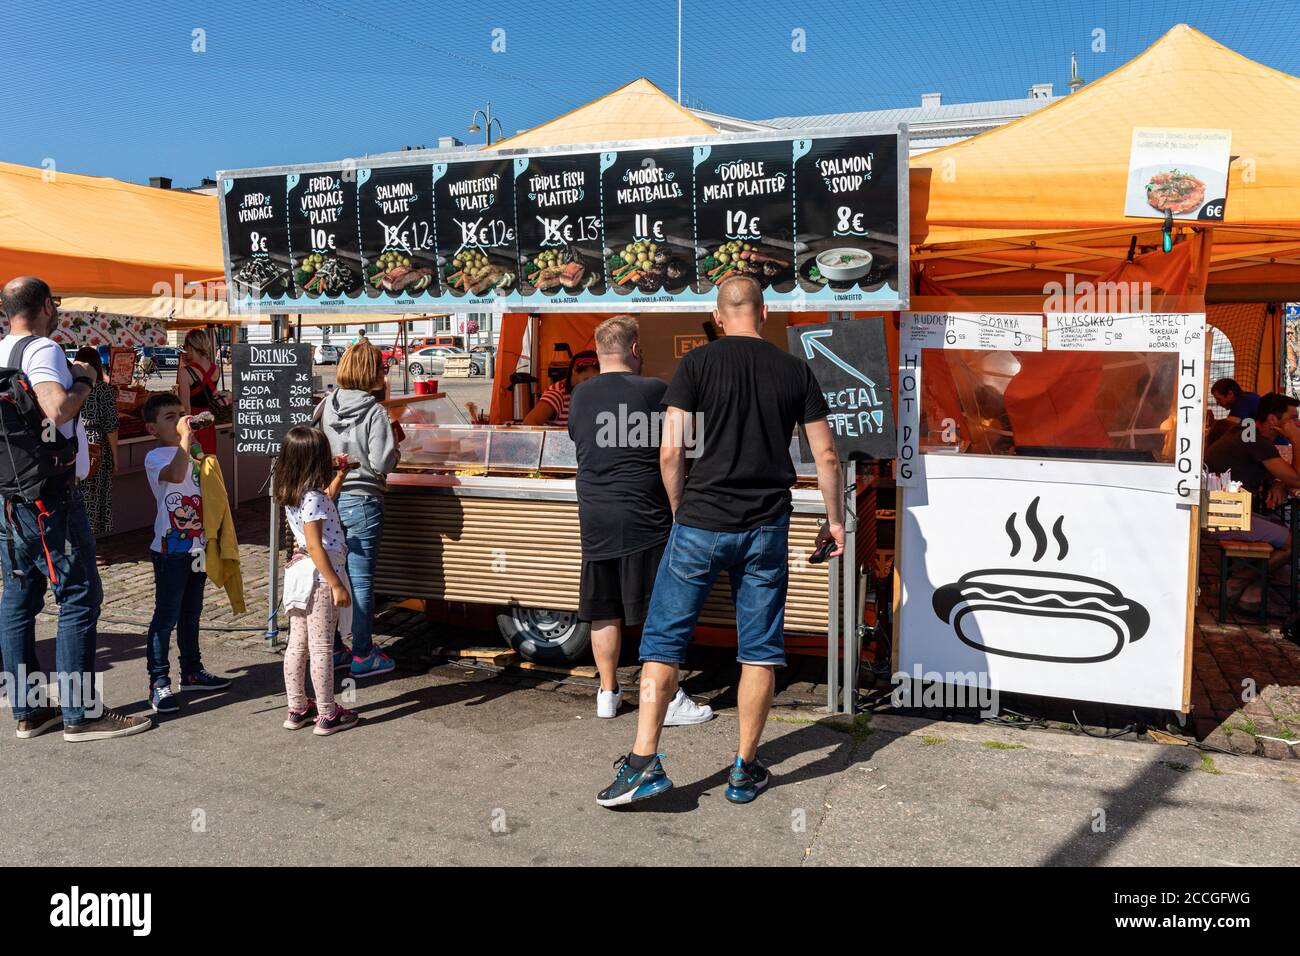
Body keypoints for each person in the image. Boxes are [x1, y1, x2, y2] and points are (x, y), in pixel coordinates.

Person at [597, 276, 845, 808]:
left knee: (663, 643)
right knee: (759, 650)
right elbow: (826, 457)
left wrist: (679, 509)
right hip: (766, 527)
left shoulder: (696, 365)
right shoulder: (796, 369)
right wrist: (835, 520)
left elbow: (671, 451)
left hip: (700, 523)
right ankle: (743, 768)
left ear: (717, 312)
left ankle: (644, 762)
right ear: (765, 311)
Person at [0, 276, 151, 741]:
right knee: (80, 595)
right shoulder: (41, 350)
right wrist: (84, 380)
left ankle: (27, 711)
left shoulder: (1, 349)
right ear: (47, 306)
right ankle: (81, 714)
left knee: (18, 600)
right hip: (51, 495)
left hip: (10, 494)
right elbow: (58, 410)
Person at [569, 315, 712, 725]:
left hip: (595, 515)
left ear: (598, 352)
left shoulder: (579, 395)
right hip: (644, 518)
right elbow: (684, 449)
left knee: (603, 608)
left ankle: (608, 692)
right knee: (659, 611)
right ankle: (665, 698)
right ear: (635, 349)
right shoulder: (656, 391)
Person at [140, 393, 233, 714]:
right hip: (169, 551)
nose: (180, 419)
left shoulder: (190, 452)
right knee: (165, 617)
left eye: (182, 414)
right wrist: (184, 440)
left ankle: (192, 670)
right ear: (152, 428)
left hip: (197, 547)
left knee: (191, 614)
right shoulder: (155, 457)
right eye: (170, 417)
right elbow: (176, 476)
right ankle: (158, 680)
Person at [314, 340, 399, 678]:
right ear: (371, 372)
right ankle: (363, 653)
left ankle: (335, 647)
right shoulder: (375, 412)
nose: (384, 372)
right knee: (361, 580)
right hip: (363, 500)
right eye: (382, 366)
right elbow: (380, 462)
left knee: (333, 574)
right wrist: (397, 449)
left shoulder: (328, 405)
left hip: (331, 498)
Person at [273, 426, 359, 736]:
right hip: (319, 575)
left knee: (297, 644)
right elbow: (315, 544)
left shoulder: (291, 490)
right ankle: (327, 713)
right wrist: (335, 583)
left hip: (298, 575)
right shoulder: (312, 497)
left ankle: (297, 707)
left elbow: (323, 504)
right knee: (322, 648)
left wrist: (340, 477)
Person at [1204, 391, 1300, 610]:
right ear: (1273, 420)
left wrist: (1280, 483)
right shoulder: (1258, 441)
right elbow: (1298, 479)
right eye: (1292, 419)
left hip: (1217, 510)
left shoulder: (1244, 432)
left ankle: (1253, 592)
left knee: (1278, 526)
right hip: (1224, 517)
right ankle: (1235, 586)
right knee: (1293, 543)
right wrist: (1295, 438)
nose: (1296, 423)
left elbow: (1281, 476)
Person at [74, 346, 119, 537]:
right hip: (95, 444)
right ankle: (89, 544)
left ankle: (77, 541)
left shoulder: (70, 387)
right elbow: (111, 426)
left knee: (77, 496)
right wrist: (116, 457)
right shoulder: (102, 389)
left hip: (74, 441)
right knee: (93, 497)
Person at [176, 328, 230, 457]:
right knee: (209, 461)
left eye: (185, 346)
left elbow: (185, 407)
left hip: (192, 423)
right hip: (208, 421)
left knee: (192, 467)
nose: (184, 350)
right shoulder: (215, 369)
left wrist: (188, 434)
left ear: (190, 347)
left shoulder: (185, 372)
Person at [524, 350, 599, 427]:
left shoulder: (596, 392)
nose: (591, 386)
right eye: (586, 380)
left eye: (596, 381)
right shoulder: (557, 394)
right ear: (574, 370)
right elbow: (529, 423)